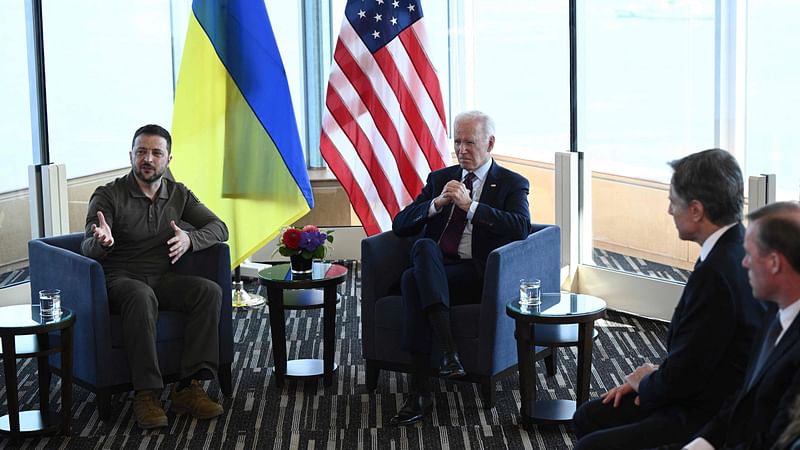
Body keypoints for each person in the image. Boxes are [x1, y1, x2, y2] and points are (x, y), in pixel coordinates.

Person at [572, 149, 765, 449]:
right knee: (589, 415)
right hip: (705, 388)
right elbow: (697, 356)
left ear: (697, 211)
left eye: (673, 201)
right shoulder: (735, 245)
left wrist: (647, 381)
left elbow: (685, 377)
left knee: (591, 441)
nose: (669, 210)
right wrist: (651, 376)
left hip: (705, 413)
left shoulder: (716, 275)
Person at [81, 124, 229, 429]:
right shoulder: (108, 195)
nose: (148, 159)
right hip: (119, 278)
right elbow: (86, 246)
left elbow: (219, 227)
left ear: (168, 159)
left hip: (161, 277)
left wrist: (191, 240)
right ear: (131, 155)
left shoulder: (179, 193)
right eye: (141, 152)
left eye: (156, 153)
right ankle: (146, 393)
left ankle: (188, 388)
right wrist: (102, 242)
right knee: (140, 295)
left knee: (209, 291)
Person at [390, 110, 531, 426]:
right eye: (457, 142)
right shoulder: (440, 178)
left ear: (490, 143)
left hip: (475, 274)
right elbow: (400, 224)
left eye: (470, 142)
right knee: (423, 253)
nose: (462, 150)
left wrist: (471, 207)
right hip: (436, 269)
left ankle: (420, 392)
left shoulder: (511, 183)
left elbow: (521, 227)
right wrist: (436, 204)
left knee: (413, 280)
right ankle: (448, 351)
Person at [682, 201, 800, 450]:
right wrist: (700, 444)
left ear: (775, 263)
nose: (743, 263)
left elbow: (775, 440)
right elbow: (744, 396)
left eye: (749, 254)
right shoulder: (774, 311)